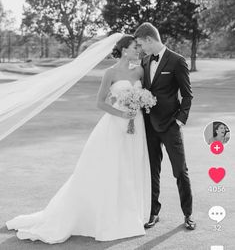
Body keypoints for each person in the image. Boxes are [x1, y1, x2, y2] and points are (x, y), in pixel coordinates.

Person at [6, 35, 151, 243]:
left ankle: (129, 214)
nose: (138, 50)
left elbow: (143, 93)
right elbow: (100, 103)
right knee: (112, 168)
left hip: (136, 126)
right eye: (135, 47)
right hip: (115, 125)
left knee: (130, 167)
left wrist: (138, 104)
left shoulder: (139, 71)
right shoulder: (109, 73)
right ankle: (107, 217)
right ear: (125, 50)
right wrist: (122, 114)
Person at [134, 22, 196, 230]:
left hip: (171, 125)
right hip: (149, 126)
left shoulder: (177, 61)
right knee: (153, 171)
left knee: (180, 170)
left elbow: (187, 95)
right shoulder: (143, 62)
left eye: (142, 44)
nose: (142, 49)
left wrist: (179, 120)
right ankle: (153, 213)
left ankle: (188, 215)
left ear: (150, 40)